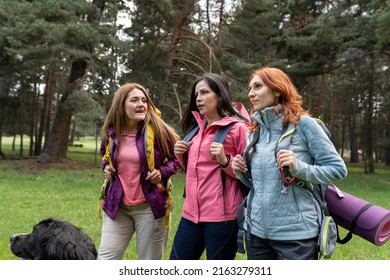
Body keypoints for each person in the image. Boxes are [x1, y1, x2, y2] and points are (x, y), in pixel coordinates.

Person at [231, 67, 348, 260]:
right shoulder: (254, 132)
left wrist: (298, 167)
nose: (251, 93)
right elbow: (260, 186)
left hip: (296, 237)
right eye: (250, 88)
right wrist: (241, 171)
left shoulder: (304, 125)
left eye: (258, 86)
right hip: (257, 234)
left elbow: (338, 170)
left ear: (277, 89)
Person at [169, 73, 250, 260]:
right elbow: (197, 168)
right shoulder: (197, 127)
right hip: (191, 214)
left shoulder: (238, 129)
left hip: (222, 217)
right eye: (196, 94)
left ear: (220, 95)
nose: (198, 98)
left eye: (204, 92)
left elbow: (249, 173)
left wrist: (225, 161)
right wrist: (181, 154)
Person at [98, 83, 180, 260]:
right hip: (117, 207)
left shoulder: (159, 130)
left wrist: (162, 171)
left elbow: (178, 158)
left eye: (144, 100)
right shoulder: (112, 131)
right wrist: (106, 168)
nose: (141, 104)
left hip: (150, 207)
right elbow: (105, 155)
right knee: (105, 260)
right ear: (121, 105)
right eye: (134, 100)